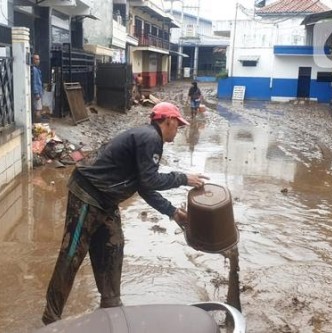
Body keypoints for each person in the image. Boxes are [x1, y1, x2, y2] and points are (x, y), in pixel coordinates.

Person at [41, 102, 210, 325]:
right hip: (87, 194)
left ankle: (110, 307)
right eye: (177, 126)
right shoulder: (150, 138)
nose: (177, 131)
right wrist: (183, 178)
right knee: (72, 255)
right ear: (168, 120)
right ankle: (50, 319)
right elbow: (150, 180)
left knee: (113, 248)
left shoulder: (149, 138)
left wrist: (173, 213)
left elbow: (144, 186)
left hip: (106, 201)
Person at [31, 54, 43, 121]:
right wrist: (36, 93)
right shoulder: (34, 70)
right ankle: (37, 124)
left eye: (38, 59)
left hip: (38, 91)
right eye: (36, 59)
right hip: (37, 92)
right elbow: (34, 82)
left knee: (37, 109)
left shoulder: (36, 69)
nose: (38, 61)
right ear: (33, 60)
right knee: (38, 109)